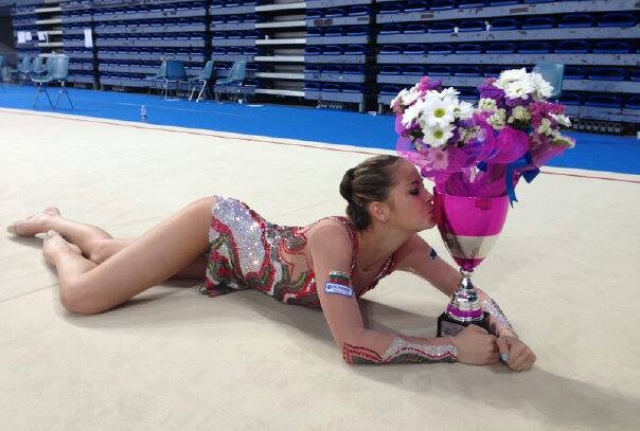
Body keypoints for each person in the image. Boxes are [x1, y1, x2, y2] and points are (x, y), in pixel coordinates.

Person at [7, 155, 535, 371]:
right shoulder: (334, 238)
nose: (431, 196)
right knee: (83, 294)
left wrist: (505, 332)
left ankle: (58, 223)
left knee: (107, 254)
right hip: (217, 227)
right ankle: (55, 238)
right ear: (379, 209)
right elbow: (354, 343)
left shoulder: (408, 248)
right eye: (415, 189)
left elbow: (469, 290)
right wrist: (451, 348)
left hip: (239, 265)